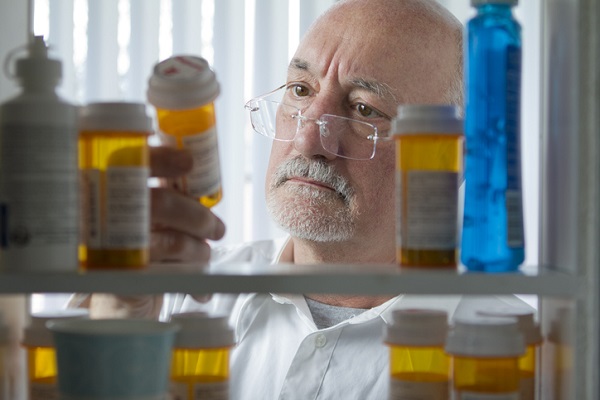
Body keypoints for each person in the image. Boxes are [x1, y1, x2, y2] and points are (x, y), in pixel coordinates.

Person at [78, 0, 533, 398]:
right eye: (301, 90)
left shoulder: (516, 354)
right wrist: (117, 320)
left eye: (364, 109)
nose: (307, 137)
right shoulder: (178, 297)